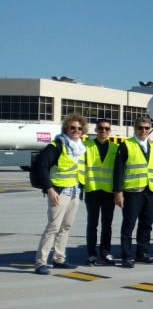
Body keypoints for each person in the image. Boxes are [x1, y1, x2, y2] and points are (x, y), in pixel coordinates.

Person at [33, 113, 87, 274]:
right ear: (66, 128)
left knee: (66, 227)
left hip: (74, 191)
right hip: (59, 191)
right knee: (53, 227)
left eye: (79, 128)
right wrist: (49, 189)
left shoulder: (81, 147)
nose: (76, 130)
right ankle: (40, 262)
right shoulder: (57, 145)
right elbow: (41, 166)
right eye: (72, 127)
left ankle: (59, 258)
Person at [113, 116, 153, 267]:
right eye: (140, 127)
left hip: (149, 191)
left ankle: (142, 253)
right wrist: (118, 192)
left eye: (147, 128)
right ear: (135, 128)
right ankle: (126, 256)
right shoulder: (126, 145)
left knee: (146, 225)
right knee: (129, 225)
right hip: (133, 192)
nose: (143, 131)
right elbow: (118, 170)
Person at [83, 118, 117, 265]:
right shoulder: (86, 146)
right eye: (101, 128)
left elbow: (119, 171)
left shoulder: (115, 148)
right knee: (92, 223)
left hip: (109, 192)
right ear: (96, 130)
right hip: (92, 190)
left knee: (107, 224)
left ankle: (106, 252)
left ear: (110, 131)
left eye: (107, 129)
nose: (103, 131)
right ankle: (91, 253)